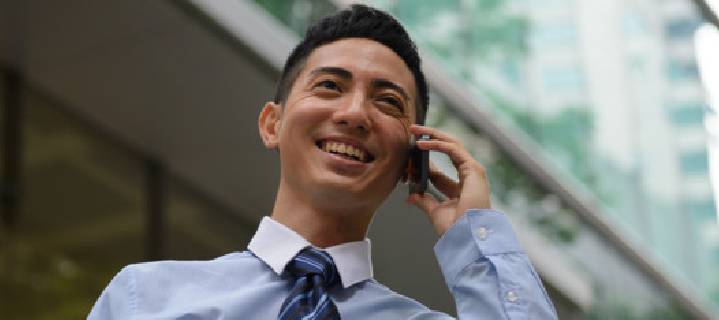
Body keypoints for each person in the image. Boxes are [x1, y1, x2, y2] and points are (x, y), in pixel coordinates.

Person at [88, 4, 557, 319]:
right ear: (272, 124)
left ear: (410, 163)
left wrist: (473, 231)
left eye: (389, 102)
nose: (353, 114)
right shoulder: (145, 299)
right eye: (330, 86)